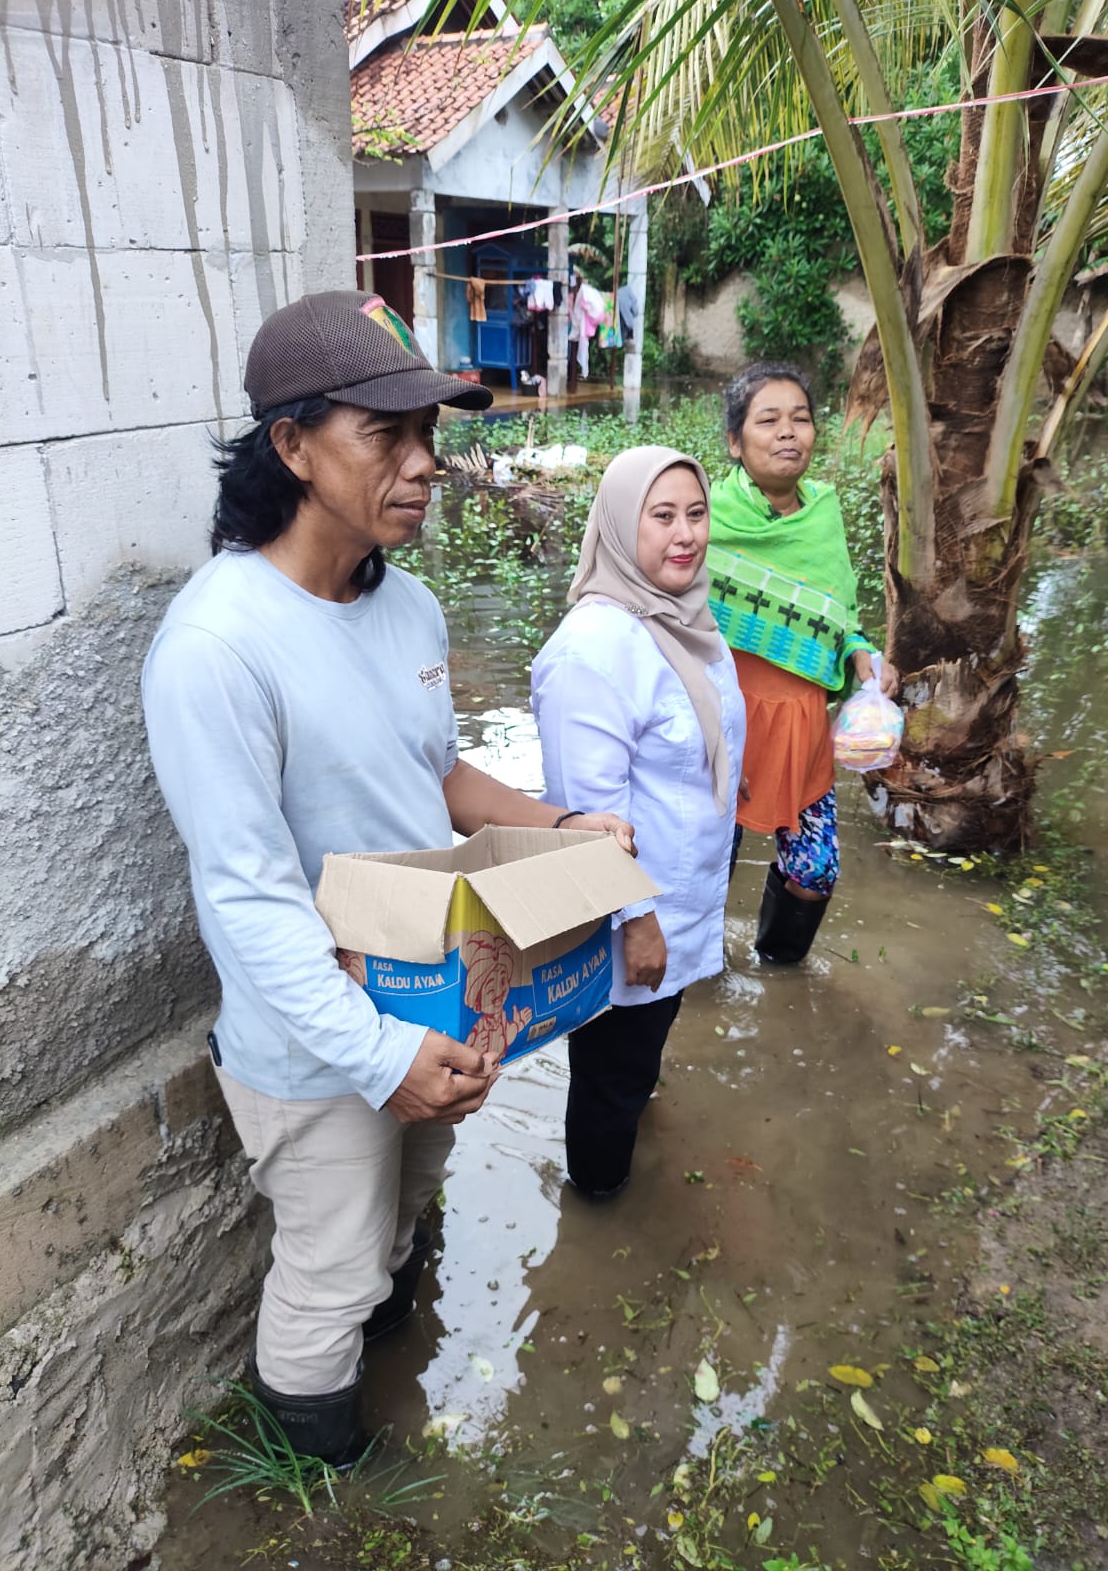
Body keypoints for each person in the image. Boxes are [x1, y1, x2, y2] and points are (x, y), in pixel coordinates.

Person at [141, 291, 635, 1467]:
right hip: (317, 1043)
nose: (425, 466)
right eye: (387, 436)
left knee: (408, 1212)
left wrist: (564, 826)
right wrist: (376, 1055)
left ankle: (394, 1347)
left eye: (429, 435)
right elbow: (248, 900)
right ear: (293, 445)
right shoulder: (216, 647)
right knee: (330, 1268)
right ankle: (319, 1478)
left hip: (434, 1000)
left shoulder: (405, 604)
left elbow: (437, 772)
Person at [531, 447, 746, 1197]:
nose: (684, 534)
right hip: (630, 914)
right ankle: (597, 1204)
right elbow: (589, 813)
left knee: (637, 1056)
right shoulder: (592, 650)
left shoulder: (685, 619)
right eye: (662, 517)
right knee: (609, 1076)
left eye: (696, 514)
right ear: (622, 527)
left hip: (682, 894)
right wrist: (638, 922)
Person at [708, 363, 899, 965]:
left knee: (814, 872)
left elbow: (839, 620)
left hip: (802, 725)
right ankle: (695, 971)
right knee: (706, 864)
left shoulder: (824, 517)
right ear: (736, 442)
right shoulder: (704, 517)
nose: (788, 432)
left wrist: (864, 656)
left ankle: (779, 968)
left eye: (801, 419)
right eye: (768, 420)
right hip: (721, 726)